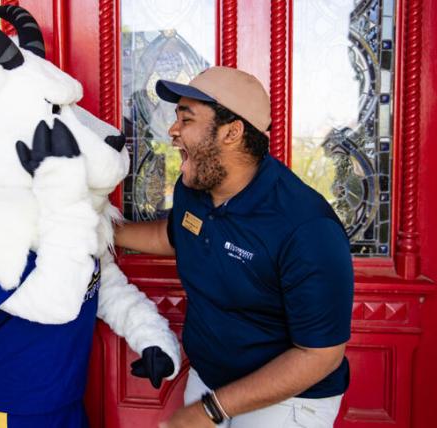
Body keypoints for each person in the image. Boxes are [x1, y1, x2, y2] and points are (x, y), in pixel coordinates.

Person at [115, 67, 354, 428]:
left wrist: (211, 409)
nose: (173, 130)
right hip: (210, 381)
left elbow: (320, 356)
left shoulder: (307, 227)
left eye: (186, 118)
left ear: (232, 132)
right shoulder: (193, 187)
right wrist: (99, 229)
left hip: (288, 400)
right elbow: (176, 235)